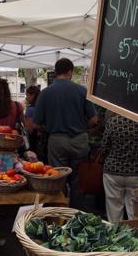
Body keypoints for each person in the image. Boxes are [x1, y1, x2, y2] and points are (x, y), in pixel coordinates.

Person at [34, 58, 97, 207]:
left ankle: (59, 212)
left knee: (58, 178)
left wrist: (49, 128)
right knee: (77, 180)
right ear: (70, 72)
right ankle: (75, 214)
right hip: (79, 140)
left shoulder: (45, 93)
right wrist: (82, 125)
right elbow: (94, 120)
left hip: (57, 140)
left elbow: (36, 124)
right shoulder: (82, 91)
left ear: (55, 72)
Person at [100, 113, 138, 222]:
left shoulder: (113, 122)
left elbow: (104, 147)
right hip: (137, 173)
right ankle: (134, 233)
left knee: (114, 208)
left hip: (113, 171)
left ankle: (115, 234)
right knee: (134, 210)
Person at [24, 86, 47, 161]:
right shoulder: (43, 107)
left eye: (28, 95)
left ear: (33, 95)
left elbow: (30, 129)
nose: (26, 98)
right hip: (45, 140)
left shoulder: (30, 110)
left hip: (34, 142)